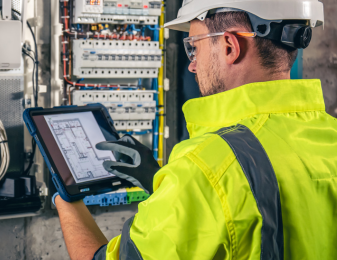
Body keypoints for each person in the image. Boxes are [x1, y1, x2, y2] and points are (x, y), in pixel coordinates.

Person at [52, 0, 336, 259]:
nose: (192, 64)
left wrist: (65, 196)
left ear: (229, 46)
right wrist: (161, 185)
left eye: (194, 46)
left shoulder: (204, 167)